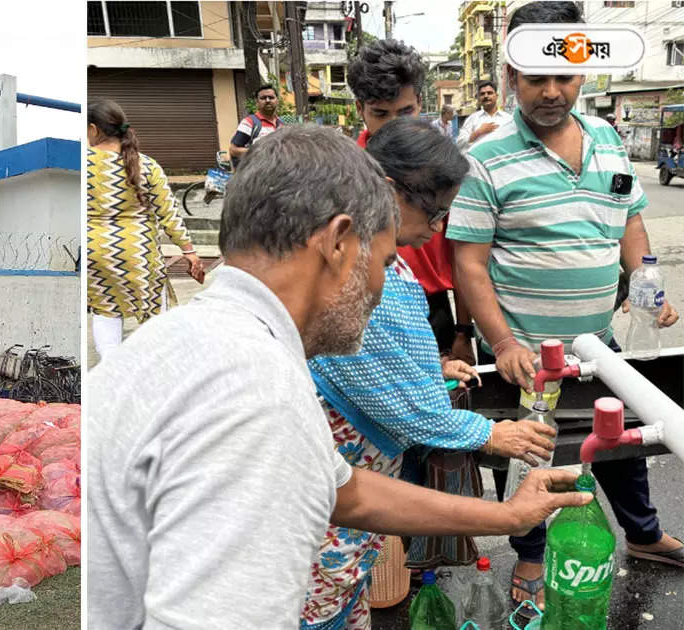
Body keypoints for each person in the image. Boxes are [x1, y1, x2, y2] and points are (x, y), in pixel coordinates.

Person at [87, 124, 593, 630]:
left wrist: (508, 516)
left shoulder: (192, 339)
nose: (382, 288)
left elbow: (346, 491)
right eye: (387, 260)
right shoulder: (255, 394)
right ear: (337, 243)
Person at [448, 0, 684, 609]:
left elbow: (628, 220)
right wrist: (500, 342)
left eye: (565, 76)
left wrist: (643, 281)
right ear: (510, 75)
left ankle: (645, 535)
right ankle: (529, 556)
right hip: (526, 352)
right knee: (532, 455)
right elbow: (469, 262)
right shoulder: (486, 156)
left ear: (584, 73)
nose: (551, 91)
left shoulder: (608, 138)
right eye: (535, 78)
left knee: (621, 440)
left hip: (598, 345)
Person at [301, 117, 558, 629]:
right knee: (322, 599)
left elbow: (366, 362)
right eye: (436, 209)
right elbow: (406, 406)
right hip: (338, 487)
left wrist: (433, 367)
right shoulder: (368, 272)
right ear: (389, 193)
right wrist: (491, 433)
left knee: (349, 587)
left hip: (358, 482)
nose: (440, 226)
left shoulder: (383, 262)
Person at [349, 38, 476, 364]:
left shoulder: (444, 169)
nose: (396, 125)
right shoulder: (347, 170)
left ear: (420, 102)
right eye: (381, 113)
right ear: (360, 108)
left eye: (406, 111)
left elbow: (462, 255)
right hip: (367, 313)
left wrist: (464, 331)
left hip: (433, 308)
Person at [86, 100, 204, 358]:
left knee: (106, 312)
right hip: (140, 256)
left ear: (93, 129)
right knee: (154, 320)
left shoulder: (84, 163)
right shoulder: (146, 165)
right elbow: (168, 214)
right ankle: (155, 371)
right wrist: (190, 252)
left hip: (95, 255)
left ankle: (111, 376)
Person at [229, 84, 284, 166]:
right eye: (263, 98)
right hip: (256, 174)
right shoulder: (249, 122)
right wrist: (261, 152)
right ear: (257, 102)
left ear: (277, 101)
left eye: (271, 97)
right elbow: (233, 150)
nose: (267, 100)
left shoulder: (281, 124)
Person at [456, 80, 513, 150]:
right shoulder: (472, 119)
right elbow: (460, 143)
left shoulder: (508, 119)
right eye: (482, 94)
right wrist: (478, 132)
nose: (486, 96)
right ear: (479, 98)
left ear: (496, 96)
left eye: (489, 93)